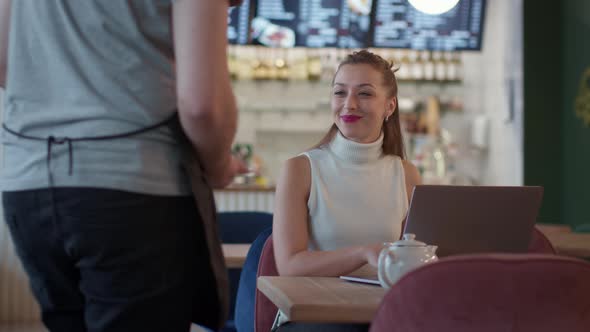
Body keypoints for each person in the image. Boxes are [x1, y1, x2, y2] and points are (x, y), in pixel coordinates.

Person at [0, 1, 245, 331]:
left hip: (28, 184)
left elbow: (4, 60)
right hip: (131, 186)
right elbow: (203, 106)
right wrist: (218, 166)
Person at [271, 50, 421, 331]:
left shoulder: (406, 174)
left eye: (364, 94)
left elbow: (411, 259)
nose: (349, 104)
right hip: (314, 315)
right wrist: (364, 253)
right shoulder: (300, 170)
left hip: (383, 313)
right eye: (340, 93)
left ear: (390, 106)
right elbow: (290, 265)